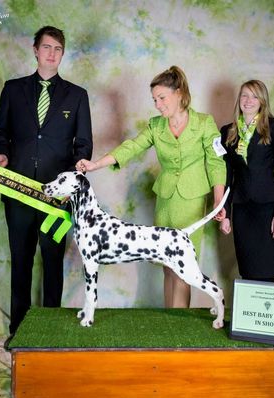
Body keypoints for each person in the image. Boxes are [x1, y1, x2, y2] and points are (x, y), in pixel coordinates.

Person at [76, 66, 226, 308]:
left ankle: (179, 322)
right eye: (154, 100)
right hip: (165, 202)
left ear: (179, 93)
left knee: (183, 267)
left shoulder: (204, 123)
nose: (157, 104)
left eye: (162, 98)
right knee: (167, 266)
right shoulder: (156, 126)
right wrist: (95, 165)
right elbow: (131, 147)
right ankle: (170, 319)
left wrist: (218, 200)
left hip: (192, 202)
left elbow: (217, 163)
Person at [0, 26, 93, 347]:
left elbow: (83, 144)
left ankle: (51, 331)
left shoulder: (77, 95)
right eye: (47, 47)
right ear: (35, 50)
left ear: (62, 53)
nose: (52, 54)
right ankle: (18, 331)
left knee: (53, 263)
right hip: (18, 191)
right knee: (21, 262)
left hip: (57, 200)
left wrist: (74, 177)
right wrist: (1, 152)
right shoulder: (13, 89)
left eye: (58, 49)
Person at [220, 79, 274, 282]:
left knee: (266, 269)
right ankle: (250, 314)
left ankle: (269, 313)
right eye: (244, 95)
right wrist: (225, 214)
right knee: (248, 269)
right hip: (242, 209)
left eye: (254, 96)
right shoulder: (228, 131)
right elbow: (227, 175)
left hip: (268, 208)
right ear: (239, 100)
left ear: (262, 101)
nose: (248, 100)